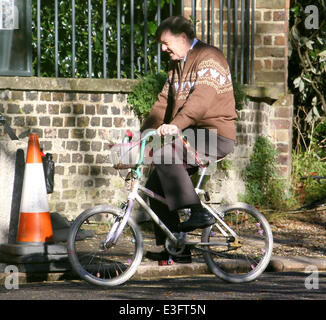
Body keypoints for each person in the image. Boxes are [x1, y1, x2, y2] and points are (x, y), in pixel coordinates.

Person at [140, 16, 237, 263]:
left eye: (165, 42)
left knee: (165, 155)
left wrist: (175, 126)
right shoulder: (177, 66)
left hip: (215, 135)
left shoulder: (209, 59)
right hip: (192, 135)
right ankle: (176, 248)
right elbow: (163, 103)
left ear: (183, 39)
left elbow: (200, 102)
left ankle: (197, 213)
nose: (162, 48)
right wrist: (142, 136)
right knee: (154, 185)